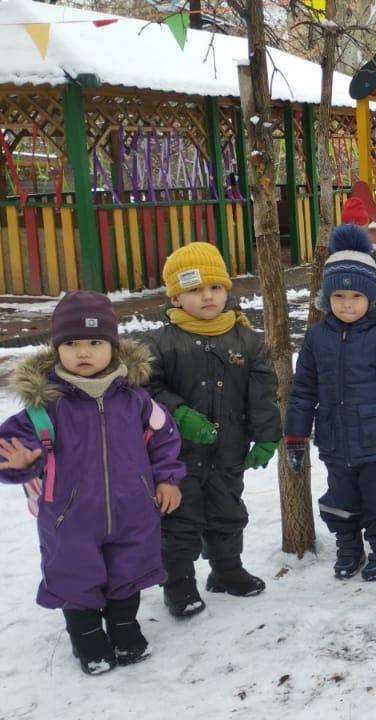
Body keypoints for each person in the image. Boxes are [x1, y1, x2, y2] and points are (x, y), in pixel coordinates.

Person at [0, 292, 184, 675]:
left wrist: (166, 479)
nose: (83, 352)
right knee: (75, 577)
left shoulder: (135, 399)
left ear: (113, 347)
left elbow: (164, 437)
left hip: (133, 509)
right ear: (56, 348)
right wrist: (17, 463)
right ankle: (87, 641)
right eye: (72, 344)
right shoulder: (44, 405)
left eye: (95, 343)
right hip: (69, 518)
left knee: (129, 572)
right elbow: (12, 449)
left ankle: (124, 629)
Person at [143, 243, 281, 618]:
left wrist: (268, 436)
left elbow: (263, 392)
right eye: (195, 290)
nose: (207, 296)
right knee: (180, 520)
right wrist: (179, 413)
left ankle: (226, 570)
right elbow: (145, 391)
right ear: (175, 295)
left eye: (215, 288)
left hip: (228, 450)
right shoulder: (159, 343)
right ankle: (179, 585)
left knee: (227, 511)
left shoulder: (248, 341)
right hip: (176, 457)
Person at [284, 227, 376, 581]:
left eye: (355, 296)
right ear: (326, 297)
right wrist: (296, 436)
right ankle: (349, 548)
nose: (347, 304)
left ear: (372, 297)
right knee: (339, 501)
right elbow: (303, 389)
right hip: (335, 440)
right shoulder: (317, 337)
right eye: (339, 296)